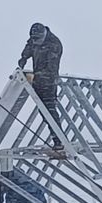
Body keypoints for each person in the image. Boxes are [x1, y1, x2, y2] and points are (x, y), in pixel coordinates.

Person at [18, 22, 63, 150]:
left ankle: (59, 140)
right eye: (33, 39)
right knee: (43, 111)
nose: (35, 42)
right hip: (38, 80)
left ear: (43, 35)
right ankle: (58, 139)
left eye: (37, 40)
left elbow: (50, 68)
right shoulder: (35, 38)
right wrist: (23, 58)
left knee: (49, 109)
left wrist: (37, 77)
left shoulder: (54, 44)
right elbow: (29, 46)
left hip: (49, 82)